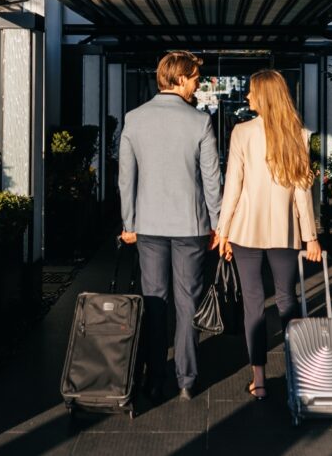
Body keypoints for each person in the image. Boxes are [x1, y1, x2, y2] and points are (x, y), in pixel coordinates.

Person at [118, 51, 222, 403]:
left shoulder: (134, 119)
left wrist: (128, 222)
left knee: (154, 300)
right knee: (188, 301)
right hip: (191, 226)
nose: (197, 84)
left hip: (148, 224)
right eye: (194, 77)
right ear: (178, 78)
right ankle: (187, 379)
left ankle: (154, 376)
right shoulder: (200, 122)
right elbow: (212, 181)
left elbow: (125, 179)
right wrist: (218, 224)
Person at [217, 69, 322, 400]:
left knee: (253, 304)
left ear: (263, 95)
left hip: (245, 230)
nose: (247, 97)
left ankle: (259, 380)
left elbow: (232, 185)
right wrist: (311, 236)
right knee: (287, 299)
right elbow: (303, 192)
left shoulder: (242, 132)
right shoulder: (298, 134)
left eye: (250, 92)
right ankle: (296, 374)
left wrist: (223, 231)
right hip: (285, 231)